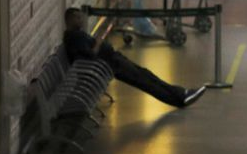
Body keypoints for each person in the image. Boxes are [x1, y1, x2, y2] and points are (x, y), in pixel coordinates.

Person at [63, 8, 206, 108]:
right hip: (110, 65)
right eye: (77, 17)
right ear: (69, 20)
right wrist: (99, 42)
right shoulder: (74, 37)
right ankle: (178, 99)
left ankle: (180, 93)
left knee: (146, 75)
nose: (81, 19)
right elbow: (90, 56)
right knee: (144, 80)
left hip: (113, 60)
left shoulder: (77, 34)